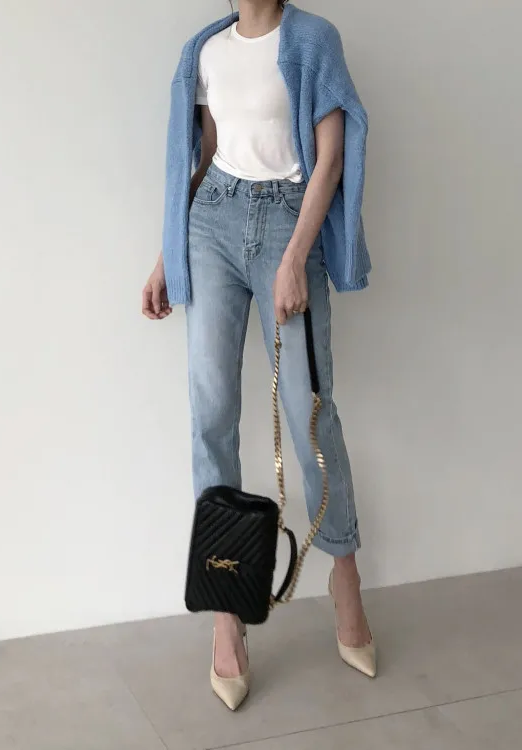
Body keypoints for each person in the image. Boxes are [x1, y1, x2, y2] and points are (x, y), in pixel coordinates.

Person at [142, 0, 375, 710]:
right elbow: (204, 154)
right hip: (210, 222)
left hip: (286, 219)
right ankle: (226, 611)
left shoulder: (313, 39)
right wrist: (167, 254)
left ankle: (344, 574)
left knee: (309, 412)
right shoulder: (204, 51)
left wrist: (297, 256)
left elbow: (330, 156)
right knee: (211, 413)